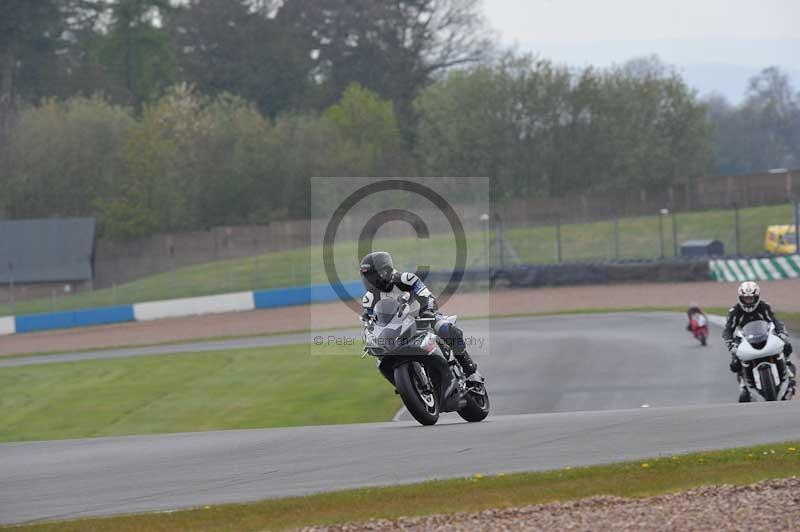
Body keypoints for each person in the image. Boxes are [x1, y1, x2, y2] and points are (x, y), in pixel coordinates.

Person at [359, 251, 477, 376]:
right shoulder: (369, 299)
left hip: (422, 318)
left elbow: (426, 295)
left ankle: (465, 361)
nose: (369, 280)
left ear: (385, 271)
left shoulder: (405, 279)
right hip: (397, 329)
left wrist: (428, 310)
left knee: (445, 328)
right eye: (367, 277)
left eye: (372, 275)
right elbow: (373, 322)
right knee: (382, 359)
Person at [723, 281, 795, 402]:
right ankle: (744, 387)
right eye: (746, 298)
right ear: (741, 298)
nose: (748, 301)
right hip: (744, 338)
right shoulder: (734, 311)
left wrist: (781, 332)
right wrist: (730, 343)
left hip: (764, 334)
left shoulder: (764, 306)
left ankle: (791, 378)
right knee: (735, 363)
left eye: (751, 298)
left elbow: (775, 320)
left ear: (756, 297)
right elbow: (728, 330)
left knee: (787, 347)